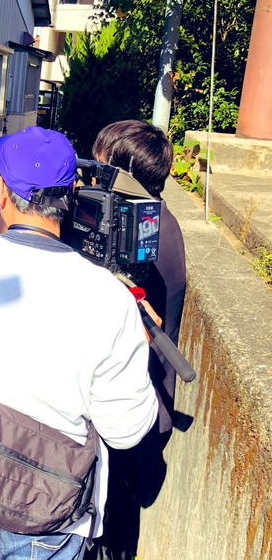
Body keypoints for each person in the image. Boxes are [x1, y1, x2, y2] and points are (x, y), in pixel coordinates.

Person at [0, 126, 159, 560]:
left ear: (2, 191)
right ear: (71, 195)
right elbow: (126, 431)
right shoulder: (109, 297)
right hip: (55, 516)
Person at [83, 119, 186, 560]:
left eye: (101, 164)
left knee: (112, 521)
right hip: (142, 402)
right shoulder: (153, 218)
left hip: (131, 408)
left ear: (121, 172)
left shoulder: (143, 234)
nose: (92, 175)